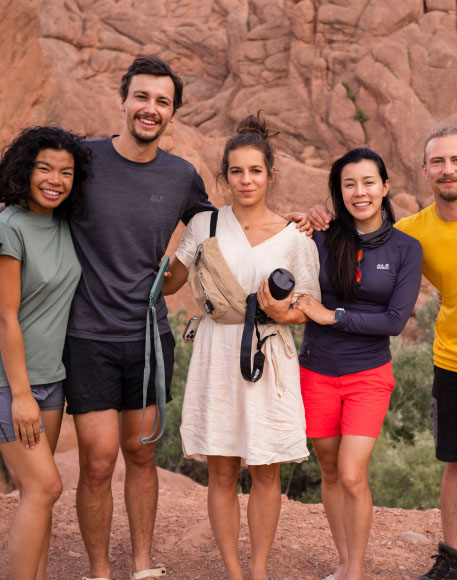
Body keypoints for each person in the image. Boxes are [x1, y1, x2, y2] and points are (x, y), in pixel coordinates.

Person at [309, 126, 457, 580]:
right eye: (438, 162)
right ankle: (452, 560)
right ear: (424, 171)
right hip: (453, 364)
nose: (448, 169)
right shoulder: (412, 233)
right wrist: (316, 217)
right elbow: (361, 231)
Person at [62, 56, 215, 580]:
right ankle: (100, 570)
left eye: (163, 102)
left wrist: (292, 225)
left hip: (150, 337)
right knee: (100, 461)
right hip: (86, 336)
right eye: (143, 97)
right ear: (124, 100)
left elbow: (220, 231)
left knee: (143, 455)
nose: (151, 109)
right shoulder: (81, 160)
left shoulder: (181, 177)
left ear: (172, 114)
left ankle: (143, 566)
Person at [162, 113, 321, 580]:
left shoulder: (297, 238)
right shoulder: (205, 225)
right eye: (236, 171)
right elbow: (171, 283)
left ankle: (259, 571)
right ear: (224, 176)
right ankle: (233, 572)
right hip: (217, 351)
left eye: (255, 170)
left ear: (271, 173)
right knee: (223, 469)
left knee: (267, 469)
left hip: (269, 355)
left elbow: (305, 309)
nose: (246, 180)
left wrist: (278, 311)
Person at [293, 148, 422, 580]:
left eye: (368, 182)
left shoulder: (406, 248)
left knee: (351, 473)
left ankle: (356, 573)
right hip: (316, 369)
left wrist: (334, 315)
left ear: (385, 187)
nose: (359, 192)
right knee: (329, 469)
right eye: (349, 184)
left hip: (367, 375)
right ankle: (344, 560)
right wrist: (303, 223)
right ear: (339, 191)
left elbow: (394, 321)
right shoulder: (324, 236)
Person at [0, 126, 90, 580]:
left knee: (38, 495)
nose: (55, 179)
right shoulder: (9, 227)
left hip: (50, 378)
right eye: (44, 168)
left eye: (66, 172)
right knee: (45, 486)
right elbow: (5, 317)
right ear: (24, 170)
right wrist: (20, 395)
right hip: (12, 383)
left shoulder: (59, 222)